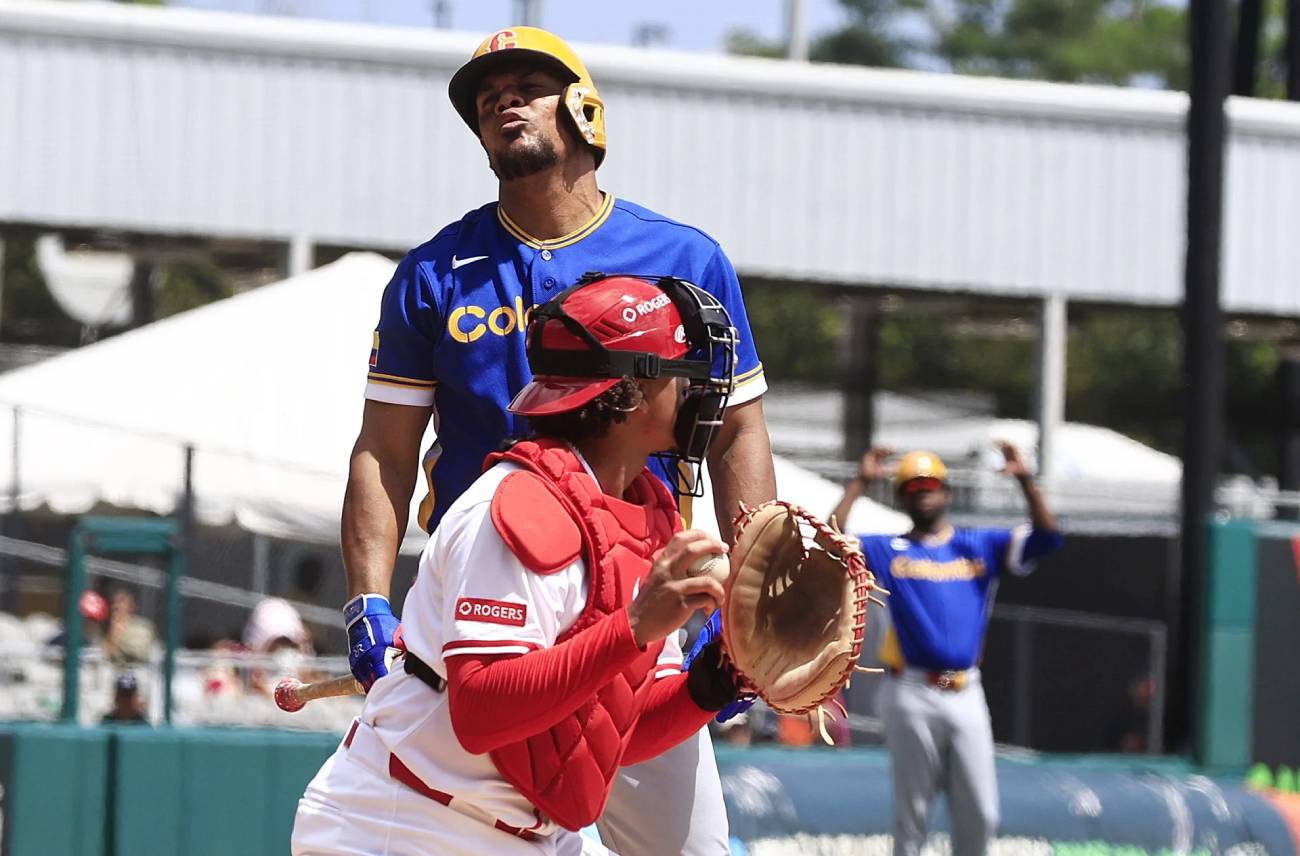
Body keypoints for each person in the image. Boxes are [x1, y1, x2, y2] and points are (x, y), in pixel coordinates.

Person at [341, 26, 776, 855]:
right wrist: (366, 598)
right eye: (484, 95)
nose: (501, 98)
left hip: (637, 584)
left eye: (528, 83)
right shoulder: (436, 271)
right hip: (489, 604)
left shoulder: (682, 257)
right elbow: (384, 453)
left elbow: (737, 433)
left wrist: (753, 589)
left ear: (584, 108)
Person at [295, 274, 744, 855]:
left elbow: (609, 732)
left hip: (524, 834)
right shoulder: (518, 508)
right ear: (631, 392)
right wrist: (634, 627)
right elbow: (482, 710)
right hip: (404, 823)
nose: (698, 389)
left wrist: (715, 682)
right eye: (682, 372)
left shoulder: (643, 515)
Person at [830, 444, 1064, 856]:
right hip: (912, 690)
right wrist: (861, 481)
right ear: (901, 496)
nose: (923, 493)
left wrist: (1026, 480)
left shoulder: (979, 545)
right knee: (913, 814)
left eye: (931, 485)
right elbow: (831, 541)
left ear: (948, 492)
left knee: (981, 811)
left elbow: (1047, 537)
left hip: (966, 690)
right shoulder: (889, 549)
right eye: (914, 487)